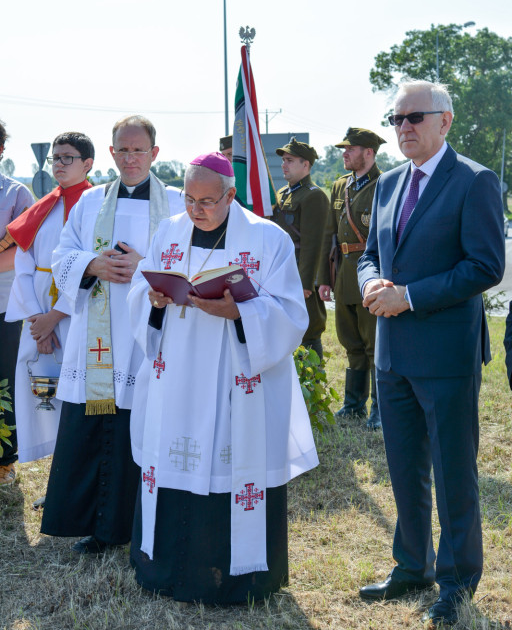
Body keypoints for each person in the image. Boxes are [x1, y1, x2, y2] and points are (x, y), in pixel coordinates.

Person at [127, 152, 318, 603]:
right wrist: (153, 299)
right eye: (189, 199)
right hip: (175, 372)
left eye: (208, 201)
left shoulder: (268, 238)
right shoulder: (168, 231)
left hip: (235, 375)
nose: (196, 210)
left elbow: (292, 314)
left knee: (231, 465)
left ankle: (238, 579)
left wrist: (240, 312)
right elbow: (139, 288)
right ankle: (166, 569)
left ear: (231, 196)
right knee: (175, 458)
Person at [357, 80, 505, 626]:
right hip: (392, 355)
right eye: (396, 119)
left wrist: (409, 296)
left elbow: (485, 265)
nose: (404, 128)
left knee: (453, 474)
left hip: (445, 357)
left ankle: (457, 583)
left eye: (414, 117)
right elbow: (370, 254)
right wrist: (373, 282)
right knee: (404, 469)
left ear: (445, 120)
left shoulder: (474, 180)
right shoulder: (389, 183)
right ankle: (411, 567)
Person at [41, 115, 183, 554]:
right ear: (111, 152)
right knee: (98, 429)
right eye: (123, 150)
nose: (130, 158)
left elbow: (190, 264)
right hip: (98, 340)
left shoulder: (178, 203)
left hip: (150, 337)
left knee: (144, 430)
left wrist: (145, 266)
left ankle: (146, 528)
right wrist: (92, 264)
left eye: (139, 150)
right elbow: (62, 254)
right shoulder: (90, 202)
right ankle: (100, 529)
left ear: (154, 153)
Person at [5, 133, 94, 471]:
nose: (58, 163)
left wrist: (54, 317)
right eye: (55, 157)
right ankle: (56, 476)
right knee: (42, 392)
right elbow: (23, 266)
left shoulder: (96, 207)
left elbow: (94, 269)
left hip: (78, 313)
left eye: (67, 157)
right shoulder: (43, 206)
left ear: (87, 164)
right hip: (39, 314)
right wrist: (37, 321)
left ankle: (78, 473)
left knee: (76, 392)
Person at [318, 128, 385, 429]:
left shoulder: (385, 184)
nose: (344, 153)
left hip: (372, 276)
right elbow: (328, 235)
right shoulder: (339, 186)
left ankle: (380, 410)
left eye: (351, 148)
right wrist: (324, 279)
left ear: (369, 152)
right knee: (351, 343)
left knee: (375, 346)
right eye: (344, 148)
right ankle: (354, 404)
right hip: (344, 275)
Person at [273, 138, 329, 358]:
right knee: (284, 327)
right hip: (281, 270)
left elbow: (313, 244)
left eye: (289, 160)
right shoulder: (282, 193)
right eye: (283, 160)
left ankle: (312, 375)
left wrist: (306, 283)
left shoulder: (313, 195)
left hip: (300, 273)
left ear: (305, 165)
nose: (283, 165)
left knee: (308, 329)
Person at [0, 121, 34, 485]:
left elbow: (24, 248)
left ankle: (4, 460)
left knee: (3, 381)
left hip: (4, 304)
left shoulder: (16, 194)